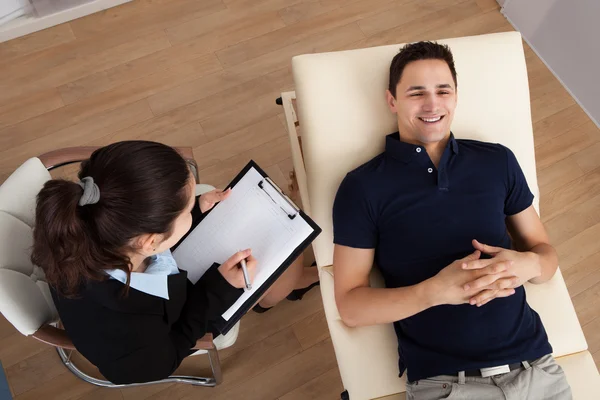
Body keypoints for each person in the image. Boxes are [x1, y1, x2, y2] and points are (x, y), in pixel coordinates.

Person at [332, 42, 572, 399]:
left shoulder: (497, 161)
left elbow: (547, 259)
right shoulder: (362, 187)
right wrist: (432, 291)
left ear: (456, 97)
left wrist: (528, 264)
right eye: (416, 93)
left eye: (443, 91)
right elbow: (350, 307)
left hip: (536, 369)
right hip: (446, 385)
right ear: (392, 101)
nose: (432, 105)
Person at [32, 141, 318, 384]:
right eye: (185, 211)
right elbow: (171, 351)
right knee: (281, 276)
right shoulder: (133, 343)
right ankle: (290, 288)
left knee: (283, 271)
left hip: (161, 289)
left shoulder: (83, 229)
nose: (192, 208)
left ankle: (298, 282)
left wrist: (197, 208)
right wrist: (219, 290)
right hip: (169, 322)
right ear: (151, 241)